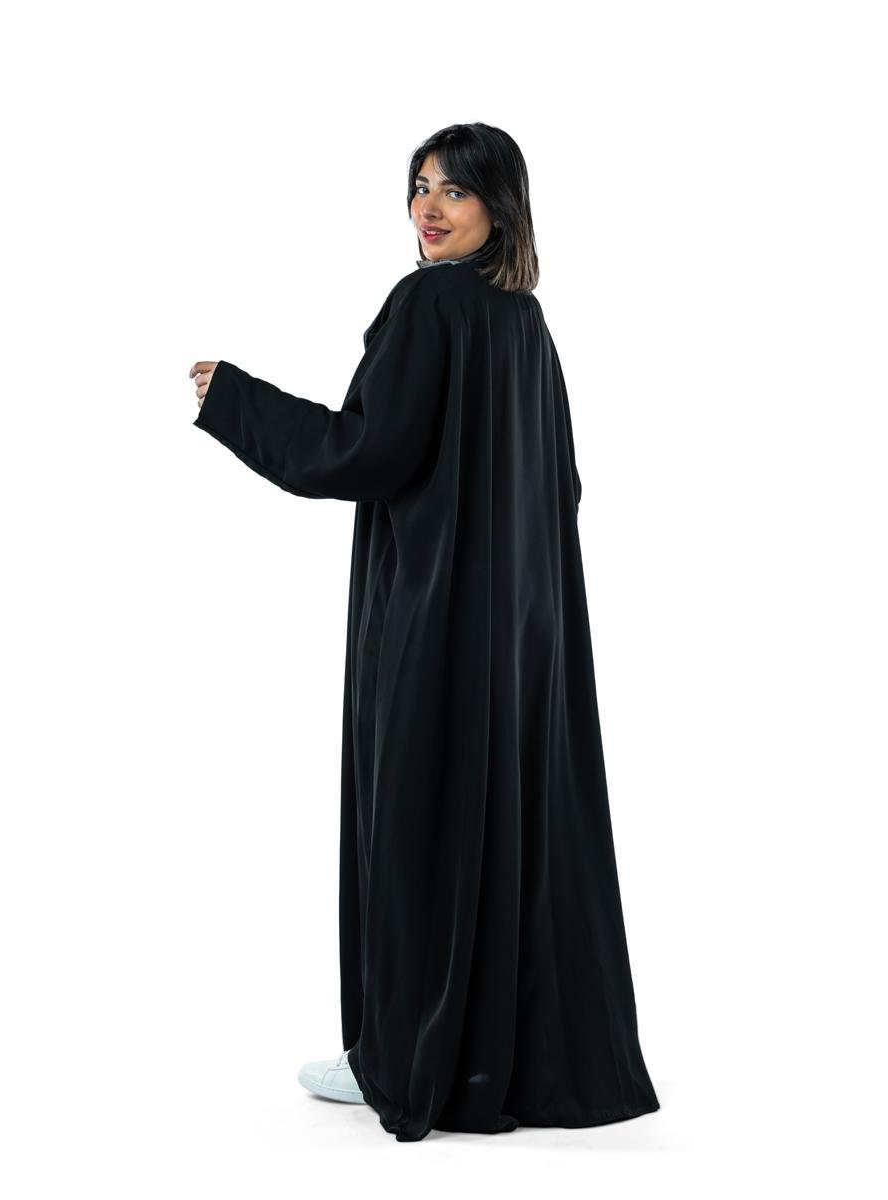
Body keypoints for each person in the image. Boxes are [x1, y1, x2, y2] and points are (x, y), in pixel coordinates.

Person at [189, 122, 660, 1142]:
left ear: (501, 205)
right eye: (419, 186)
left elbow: (363, 454)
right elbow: (564, 484)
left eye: (454, 189)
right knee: (500, 830)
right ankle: (497, 1057)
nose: (428, 208)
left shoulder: (430, 305)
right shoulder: (524, 323)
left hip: (437, 624)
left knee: (415, 825)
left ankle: (406, 1060)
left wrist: (234, 400)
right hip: (524, 636)